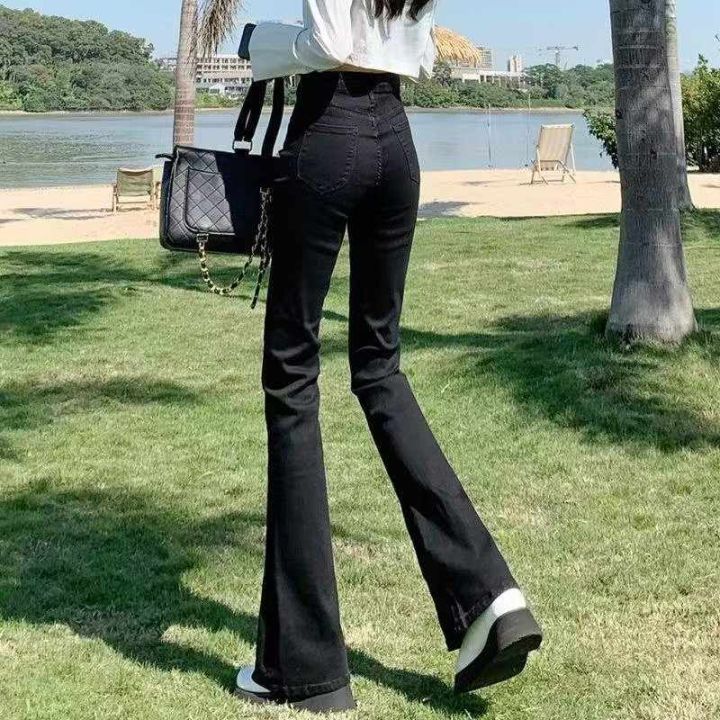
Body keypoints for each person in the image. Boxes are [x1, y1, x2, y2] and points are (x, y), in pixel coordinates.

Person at [234, 0, 542, 713]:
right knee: (379, 368)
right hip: (395, 142)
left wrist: (260, 44)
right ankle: (490, 596)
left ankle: (304, 668)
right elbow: (420, 52)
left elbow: (328, 41)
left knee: (292, 377)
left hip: (330, 132)